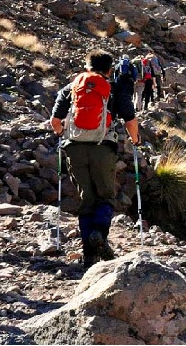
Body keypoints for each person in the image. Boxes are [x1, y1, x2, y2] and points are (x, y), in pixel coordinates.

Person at [49, 49, 138, 268]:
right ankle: (99, 232)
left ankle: (89, 256)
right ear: (110, 70)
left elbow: (55, 121)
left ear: (86, 66)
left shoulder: (71, 88)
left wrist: (63, 134)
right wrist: (135, 139)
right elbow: (130, 119)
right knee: (106, 196)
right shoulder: (113, 89)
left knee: (86, 200)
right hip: (102, 148)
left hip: (74, 149)